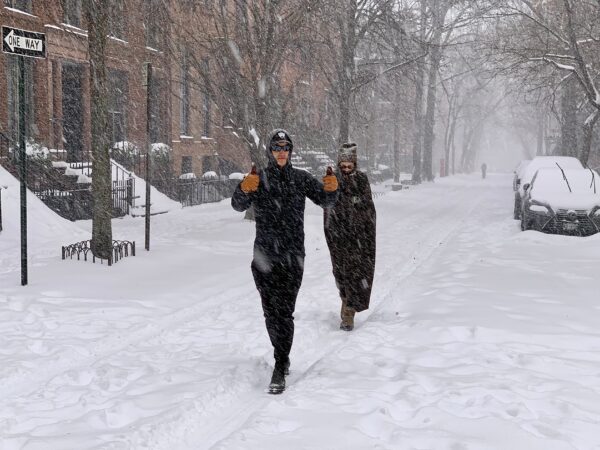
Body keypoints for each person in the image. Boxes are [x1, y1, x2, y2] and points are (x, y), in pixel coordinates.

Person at [231, 129, 339, 394]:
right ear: (271, 151)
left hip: (292, 258)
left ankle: (280, 363)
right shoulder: (260, 179)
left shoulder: (300, 179)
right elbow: (237, 205)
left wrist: (332, 187)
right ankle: (282, 353)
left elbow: (325, 199)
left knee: (285, 312)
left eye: (286, 148)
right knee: (270, 313)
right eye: (277, 148)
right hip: (264, 257)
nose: (282, 152)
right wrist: (243, 188)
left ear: (291, 152)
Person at [324, 143, 376, 331]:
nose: (346, 169)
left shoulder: (361, 179)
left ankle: (349, 312)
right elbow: (328, 204)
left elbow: (367, 205)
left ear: (354, 164)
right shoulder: (333, 179)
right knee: (340, 273)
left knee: (355, 273)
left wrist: (352, 205)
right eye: (343, 165)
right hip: (338, 236)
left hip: (357, 237)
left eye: (349, 165)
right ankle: (345, 300)